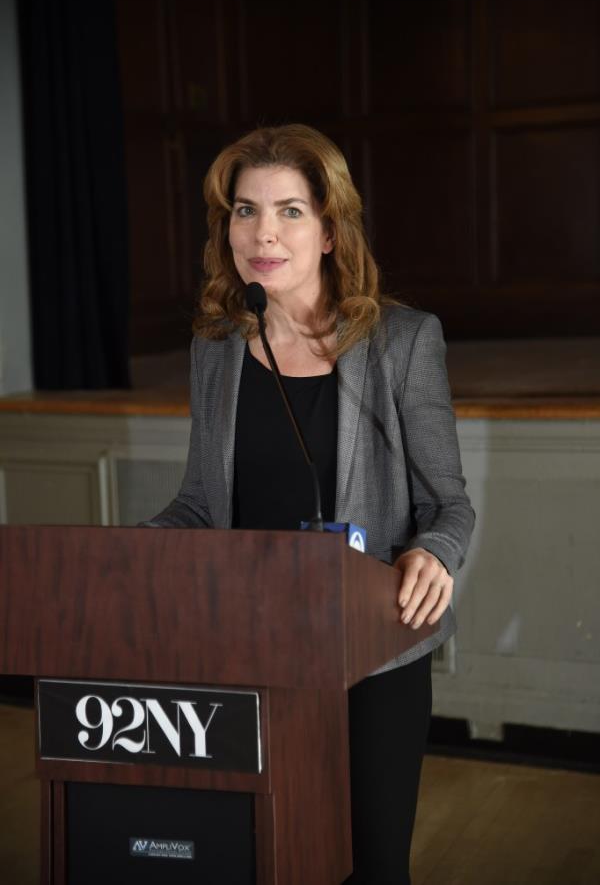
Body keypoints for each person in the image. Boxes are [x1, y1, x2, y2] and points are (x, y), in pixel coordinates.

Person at [143, 123, 475, 884]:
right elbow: (200, 503)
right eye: (245, 210)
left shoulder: (401, 341)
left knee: (371, 867)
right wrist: (129, 551)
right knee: (264, 856)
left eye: (290, 210)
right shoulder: (218, 347)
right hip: (249, 645)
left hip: (372, 652)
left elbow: (448, 504)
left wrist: (435, 551)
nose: (264, 233)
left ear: (329, 231)